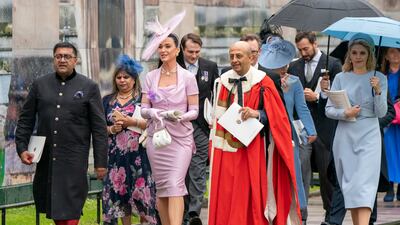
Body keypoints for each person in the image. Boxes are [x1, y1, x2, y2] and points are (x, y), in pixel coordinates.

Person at [15, 42, 108, 225]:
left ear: (75, 60)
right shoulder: (40, 85)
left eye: (67, 56)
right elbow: (26, 120)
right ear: (53, 60)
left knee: (71, 209)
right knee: (55, 209)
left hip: (74, 159)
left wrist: (100, 163)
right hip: (48, 159)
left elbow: (99, 128)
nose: (62, 60)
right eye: (58, 56)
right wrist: (21, 148)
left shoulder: (89, 87)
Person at [208, 41, 300, 225]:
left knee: (250, 191)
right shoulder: (222, 81)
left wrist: (257, 113)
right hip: (226, 148)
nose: (234, 60)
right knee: (226, 191)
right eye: (231, 56)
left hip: (254, 147)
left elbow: (277, 115)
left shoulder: (264, 81)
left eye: (239, 56)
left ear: (251, 57)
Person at [325, 33, 387, 225]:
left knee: (365, 186)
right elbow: (329, 110)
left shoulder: (379, 78)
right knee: (350, 187)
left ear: (369, 55)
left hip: (369, 135)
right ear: (349, 55)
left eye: (362, 52)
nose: (358, 56)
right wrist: (346, 113)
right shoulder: (340, 78)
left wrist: (378, 92)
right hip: (345, 135)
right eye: (354, 52)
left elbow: (382, 112)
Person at [141, 32, 199, 225]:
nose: (163, 50)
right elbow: (143, 109)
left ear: (177, 50)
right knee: (162, 188)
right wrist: (154, 113)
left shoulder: (188, 77)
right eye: (160, 46)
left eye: (167, 46)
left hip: (180, 138)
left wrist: (179, 116)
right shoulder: (150, 77)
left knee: (175, 183)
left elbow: (195, 111)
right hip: (157, 139)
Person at [259, 38, 317, 225]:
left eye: (285, 64)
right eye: (278, 65)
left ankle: (299, 213)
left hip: (289, 133)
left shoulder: (294, 82)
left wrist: (311, 130)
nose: (283, 68)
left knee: (294, 173)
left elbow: (302, 108)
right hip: (266, 134)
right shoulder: (262, 82)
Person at [288, 31, 342, 223]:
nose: (303, 52)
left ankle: (330, 215)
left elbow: (339, 96)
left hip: (325, 127)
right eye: (300, 49)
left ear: (315, 43)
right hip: (301, 128)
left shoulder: (333, 64)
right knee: (301, 171)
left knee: (326, 172)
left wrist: (318, 96)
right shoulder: (293, 66)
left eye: (306, 48)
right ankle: (301, 215)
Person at [101, 55, 159, 225]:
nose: (122, 80)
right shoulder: (107, 101)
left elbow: (156, 123)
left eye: (126, 77)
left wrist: (132, 122)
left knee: (141, 196)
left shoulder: (145, 98)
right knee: (121, 194)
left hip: (141, 156)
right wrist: (112, 129)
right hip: (116, 158)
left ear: (134, 79)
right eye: (118, 77)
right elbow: (99, 129)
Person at [177, 33, 219, 225]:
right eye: (189, 52)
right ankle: (181, 211)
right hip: (178, 125)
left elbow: (217, 94)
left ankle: (194, 213)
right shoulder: (172, 65)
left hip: (201, 125)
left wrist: (214, 117)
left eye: (197, 52)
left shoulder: (209, 67)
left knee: (198, 168)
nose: (193, 56)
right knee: (180, 169)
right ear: (182, 50)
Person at [221, 33, 284, 101]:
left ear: (259, 52)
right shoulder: (225, 75)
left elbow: (277, 108)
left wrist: (258, 112)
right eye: (246, 52)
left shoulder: (271, 77)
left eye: (253, 51)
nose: (250, 55)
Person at [380, 47, 400, 202]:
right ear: (386, 56)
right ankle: (389, 187)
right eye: (391, 52)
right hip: (387, 120)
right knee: (388, 154)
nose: (395, 55)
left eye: (398, 51)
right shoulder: (381, 76)